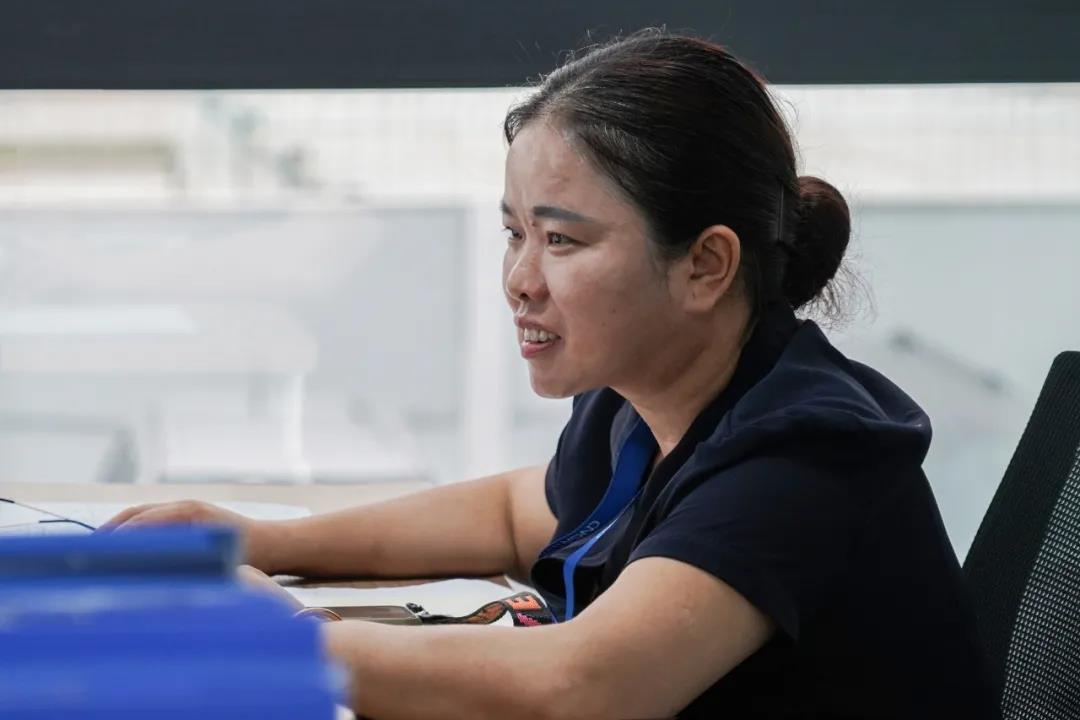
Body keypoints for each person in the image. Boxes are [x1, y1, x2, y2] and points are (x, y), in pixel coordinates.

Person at [100, 30, 996, 719]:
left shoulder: (803, 455)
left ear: (705, 265)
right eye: (514, 232)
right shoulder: (648, 404)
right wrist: (259, 541)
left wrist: (270, 633)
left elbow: (576, 691)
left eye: (561, 239)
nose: (519, 279)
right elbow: (508, 514)